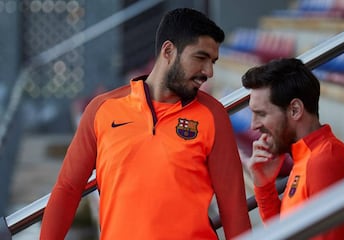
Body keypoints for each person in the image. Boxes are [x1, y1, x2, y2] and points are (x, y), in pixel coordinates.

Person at [40, 8, 251, 240]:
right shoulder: (102, 110)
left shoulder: (213, 115)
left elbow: (234, 209)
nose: (209, 72)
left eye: (213, 61)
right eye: (201, 58)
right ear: (168, 51)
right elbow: (67, 190)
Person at [241, 58, 344, 239]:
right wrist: (264, 185)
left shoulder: (325, 161)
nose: (253, 125)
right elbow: (285, 230)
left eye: (261, 114)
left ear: (295, 110)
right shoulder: (306, 155)